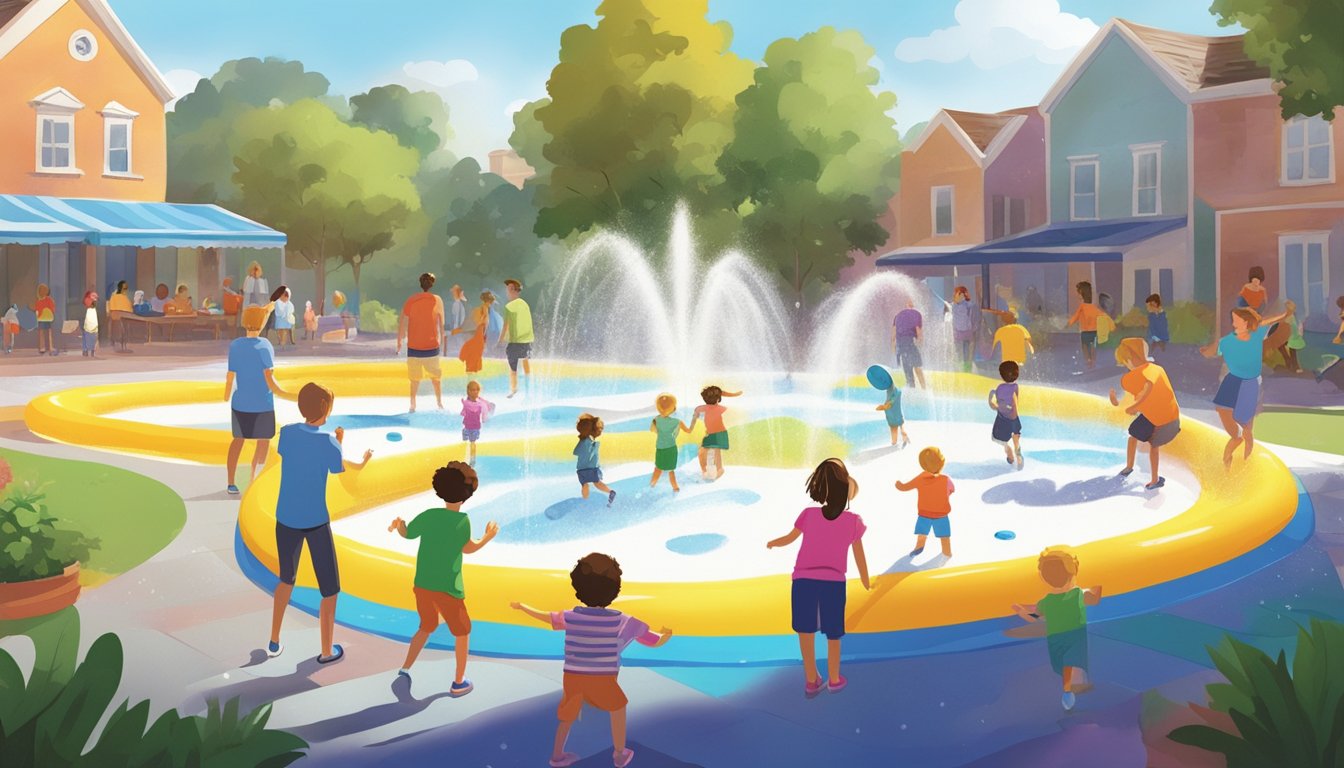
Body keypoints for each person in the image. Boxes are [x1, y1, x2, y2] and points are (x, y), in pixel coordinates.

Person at [510, 554, 672, 768]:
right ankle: (620, 753)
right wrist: (665, 635)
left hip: (573, 676)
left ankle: (557, 757)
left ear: (578, 587)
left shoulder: (571, 616)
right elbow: (653, 641)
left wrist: (522, 607)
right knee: (618, 708)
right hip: (602, 678)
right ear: (616, 588)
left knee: (567, 716)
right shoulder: (624, 621)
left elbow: (546, 617)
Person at [267, 383, 373, 664]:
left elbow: (293, 455)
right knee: (329, 589)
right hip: (315, 521)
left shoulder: (287, 434)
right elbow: (338, 470)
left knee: (286, 579)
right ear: (325, 408)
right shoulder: (329, 442)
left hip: (286, 517)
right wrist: (339, 442)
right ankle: (326, 651)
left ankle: (274, 639)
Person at [388, 461, 498, 695]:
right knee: (462, 633)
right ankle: (459, 682)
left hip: (423, 585)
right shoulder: (461, 521)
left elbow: (407, 534)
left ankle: (405, 668)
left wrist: (399, 525)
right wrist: (488, 536)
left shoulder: (429, 516)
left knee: (426, 626)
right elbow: (468, 548)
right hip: (448, 589)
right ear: (467, 495)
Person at [766, 458, 871, 698]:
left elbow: (789, 538)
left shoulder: (809, 515)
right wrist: (866, 580)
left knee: (806, 632)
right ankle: (834, 679)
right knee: (833, 634)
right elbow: (859, 555)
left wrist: (774, 542)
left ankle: (811, 680)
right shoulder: (853, 521)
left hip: (803, 581)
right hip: (833, 583)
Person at [1011, 548, 1102, 711]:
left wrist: (1020, 611)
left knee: (1064, 665)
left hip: (1056, 639)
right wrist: (1099, 583)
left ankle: (1068, 690)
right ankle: (1070, 690)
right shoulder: (1078, 594)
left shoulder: (1046, 602)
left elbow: (1034, 616)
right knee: (1073, 664)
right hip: (1076, 636)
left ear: (1042, 578)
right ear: (1073, 576)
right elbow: (1095, 598)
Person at [1200, 306, 1288, 465]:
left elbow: (1265, 322)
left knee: (1247, 425)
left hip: (1250, 382)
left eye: (1236, 320)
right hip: (1232, 380)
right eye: (1233, 320)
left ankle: (1246, 458)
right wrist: (1206, 350)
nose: (1233, 324)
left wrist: (1283, 314)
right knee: (1222, 409)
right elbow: (1210, 352)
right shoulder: (1227, 341)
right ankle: (1235, 439)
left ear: (1246, 323)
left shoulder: (1256, 334)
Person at [224, 305, 287, 495]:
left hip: (241, 402)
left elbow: (230, 376)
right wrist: (283, 393)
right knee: (263, 441)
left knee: (238, 440)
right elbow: (269, 378)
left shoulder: (235, 345)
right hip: (263, 402)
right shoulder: (265, 345)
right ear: (262, 323)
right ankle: (253, 480)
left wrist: (226, 395)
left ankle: (231, 482)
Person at [1109, 338, 1180, 490]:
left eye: (1126, 361)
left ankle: (1154, 480)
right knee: (1133, 435)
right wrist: (1115, 401)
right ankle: (1129, 467)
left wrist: (1136, 406)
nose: (1126, 365)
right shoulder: (1132, 377)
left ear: (1131, 359)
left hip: (1167, 420)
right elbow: (1127, 400)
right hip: (1151, 416)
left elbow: (1149, 386)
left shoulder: (1153, 369)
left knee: (1154, 445)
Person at [398, 273, 446, 413]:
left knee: (414, 380)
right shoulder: (437, 300)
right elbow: (441, 324)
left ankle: (413, 405)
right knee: (436, 378)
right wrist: (442, 342)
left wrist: (399, 342)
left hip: (414, 347)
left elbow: (402, 322)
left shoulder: (411, 300)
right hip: (432, 346)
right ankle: (439, 403)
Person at [896, 446, 955, 560]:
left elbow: (905, 487)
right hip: (941, 514)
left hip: (924, 514)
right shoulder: (945, 479)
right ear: (942, 463)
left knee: (922, 534)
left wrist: (898, 484)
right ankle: (947, 553)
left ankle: (919, 547)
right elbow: (952, 490)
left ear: (922, 464)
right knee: (944, 537)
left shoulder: (920, 478)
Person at [691, 385, 742, 481]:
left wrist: (733, 394)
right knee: (706, 452)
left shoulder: (713, 408)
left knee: (713, 452)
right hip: (712, 434)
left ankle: (717, 470)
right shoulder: (703, 409)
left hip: (718, 434)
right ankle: (707, 471)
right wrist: (734, 394)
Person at [498, 279, 535, 398]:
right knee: (525, 363)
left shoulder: (509, 306)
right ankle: (528, 391)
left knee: (513, 367)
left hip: (515, 342)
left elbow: (505, 326)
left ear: (513, 290)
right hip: (526, 340)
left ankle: (514, 390)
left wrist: (500, 340)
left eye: (508, 290)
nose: (507, 292)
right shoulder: (525, 304)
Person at [650, 393, 692, 492]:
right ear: (673, 408)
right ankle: (675, 488)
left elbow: (652, 430)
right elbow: (688, 430)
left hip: (660, 448)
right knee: (670, 471)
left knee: (658, 468)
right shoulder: (677, 422)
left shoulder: (656, 420)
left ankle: (652, 484)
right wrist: (693, 420)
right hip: (671, 449)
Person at [574, 413, 616, 506]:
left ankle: (585, 500)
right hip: (592, 467)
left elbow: (576, 452)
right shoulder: (591, 441)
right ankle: (610, 492)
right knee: (596, 483)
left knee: (585, 484)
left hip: (583, 468)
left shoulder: (585, 442)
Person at [988, 361, 1024, 468]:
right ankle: (1018, 456)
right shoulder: (1016, 387)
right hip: (1015, 419)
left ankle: (1009, 454)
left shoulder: (999, 388)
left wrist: (991, 399)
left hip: (1003, 420)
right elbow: (1014, 402)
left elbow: (1000, 406)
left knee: (1002, 440)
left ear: (1001, 375)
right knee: (1016, 439)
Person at [455, 291, 495, 375]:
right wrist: (482, 326)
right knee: (476, 349)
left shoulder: (481, 308)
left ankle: (471, 368)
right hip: (480, 330)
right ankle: (472, 368)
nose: (490, 304)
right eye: (490, 302)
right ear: (488, 301)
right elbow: (484, 321)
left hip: (480, 330)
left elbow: (480, 321)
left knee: (475, 349)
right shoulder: (484, 308)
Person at [891, 299, 926, 389]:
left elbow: (893, 335)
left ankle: (912, 390)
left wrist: (894, 348)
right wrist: (920, 343)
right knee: (917, 367)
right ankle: (924, 389)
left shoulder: (897, 315)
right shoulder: (916, 314)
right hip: (909, 343)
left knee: (907, 370)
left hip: (900, 345)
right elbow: (918, 331)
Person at [1067, 281, 1101, 370]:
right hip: (1094, 331)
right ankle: (1093, 361)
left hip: (1085, 331)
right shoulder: (1094, 307)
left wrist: (1069, 323)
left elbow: (1075, 317)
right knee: (1093, 346)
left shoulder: (1082, 307)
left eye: (1078, 293)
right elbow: (1101, 316)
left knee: (1085, 346)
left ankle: (1088, 361)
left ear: (1082, 294)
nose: (1077, 295)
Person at [460, 380, 494, 467]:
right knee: (466, 441)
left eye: (477, 390)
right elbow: (463, 413)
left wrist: (485, 420)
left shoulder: (480, 404)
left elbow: (484, 414)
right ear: (468, 391)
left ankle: (472, 460)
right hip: (467, 426)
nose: (475, 392)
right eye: (473, 390)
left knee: (472, 443)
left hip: (475, 427)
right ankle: (466, 457)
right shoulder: (466, 402)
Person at [950, 286, 977, 372]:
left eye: (958, 293)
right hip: (958, 330)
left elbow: (971, 306)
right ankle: (957, 367)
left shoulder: (967, 304)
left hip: (966, 330)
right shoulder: (953, 305)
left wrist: (966, 295)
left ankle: (967, 368)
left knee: (966, 350)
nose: (956, 295)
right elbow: (954, 303)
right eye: (956, 294)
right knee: (958, 350)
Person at [876, 377, 909, 448]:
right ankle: (901, 439)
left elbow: (891, 402)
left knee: (894, 428)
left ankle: (895, 442)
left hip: (891, 413)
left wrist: (883, 407)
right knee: (900, 426)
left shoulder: (894, 391)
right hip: (896, 412)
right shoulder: (894, 390)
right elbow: (891, 401)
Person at [1276, 300, 1305, 373]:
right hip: (1292, 337)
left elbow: (1282, 327)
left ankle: (1292, 364)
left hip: (1292, 338)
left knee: (1290, 350)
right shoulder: (1292, 316)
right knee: (1288, 350)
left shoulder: (1289, 317)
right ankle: (1291, 363)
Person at [442, 284, 468, 356]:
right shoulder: (457, 303)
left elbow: (458, 319)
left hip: (457, 330)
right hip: (456, 329)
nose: (452, 293)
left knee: (456, 347)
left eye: (454, 292)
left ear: (457, 293)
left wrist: (455, 330)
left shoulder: (458, 304)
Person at [106, 280, 132, 352]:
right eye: (124, 288)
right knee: (121, 327)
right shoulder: (114, 297)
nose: (126, 290)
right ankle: (119, 344)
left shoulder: (125, 297)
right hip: (117, 317)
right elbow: (112, 309)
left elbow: (129, 308)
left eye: (126, 288)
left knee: (127, 326)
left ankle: (124, 345)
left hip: (125, 316)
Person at [31, 283, 56, 355]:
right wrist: (52, 312)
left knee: (41, 333)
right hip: (48, 318)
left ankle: (42, 347)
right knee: (49, 332)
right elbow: (52, 307)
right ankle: (50, 347)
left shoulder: (38, 301)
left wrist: (37, 315)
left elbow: (37, 310)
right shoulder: (49, 300)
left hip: (41, 318)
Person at [80, 290, 99, 358]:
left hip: (87, 320)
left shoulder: (86, 300)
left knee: (86, 336)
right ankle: (91, 350)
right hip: (90, 320)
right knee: (91, 336)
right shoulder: (90, 302)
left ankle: (85, 350)